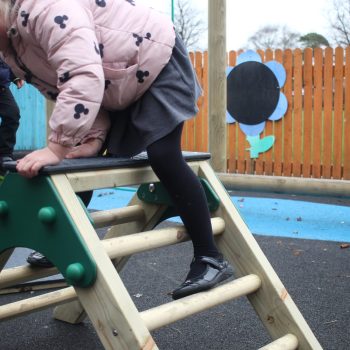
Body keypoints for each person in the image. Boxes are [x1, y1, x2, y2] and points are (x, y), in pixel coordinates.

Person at [0, 0, 233, 299]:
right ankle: (69, 242)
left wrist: (56, 145)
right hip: (116, 81)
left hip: (155, 58)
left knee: (163, 154)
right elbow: (64, 86)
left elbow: (82, 76)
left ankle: (209, 257)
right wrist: (91, 138)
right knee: (76, 159)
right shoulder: (12, 49)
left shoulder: (45, 10)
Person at [0, 57, 23, 178]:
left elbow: (5, 59)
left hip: (2, 88)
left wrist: (14, 76)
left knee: (12, 114)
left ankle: (4, 154)